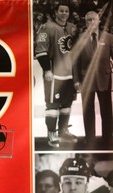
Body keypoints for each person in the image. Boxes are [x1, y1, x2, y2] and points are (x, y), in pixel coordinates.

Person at [35, 3, 78, 148]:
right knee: (53, 105)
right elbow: (41, 51)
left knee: (67, 104)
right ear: (56, 12)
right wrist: (47, 70)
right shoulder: (47, 27)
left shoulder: (72, 27)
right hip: (54, 74)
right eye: (61, 11)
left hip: (70, 74)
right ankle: (52, 132)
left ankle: (63, 131)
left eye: (66, 11)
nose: (64, 13)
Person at [73, 11, 113, 147]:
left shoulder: (108, 38)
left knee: (106, 112)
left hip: (104, 79)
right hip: (86, 80)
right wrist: (76, 80)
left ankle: (108, 139)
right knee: (88, 112)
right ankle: (90, 140)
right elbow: (75, 63)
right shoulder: (79, 39)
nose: (91, 22)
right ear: (85, 23)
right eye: (88, 20)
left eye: (93, 20)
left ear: (99, 21)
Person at [37, 157, 113, 193]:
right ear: (61, 186)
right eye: (67, 182)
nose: (72, 188)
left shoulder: (100, 187)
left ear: (86, 185)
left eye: (78, 182)